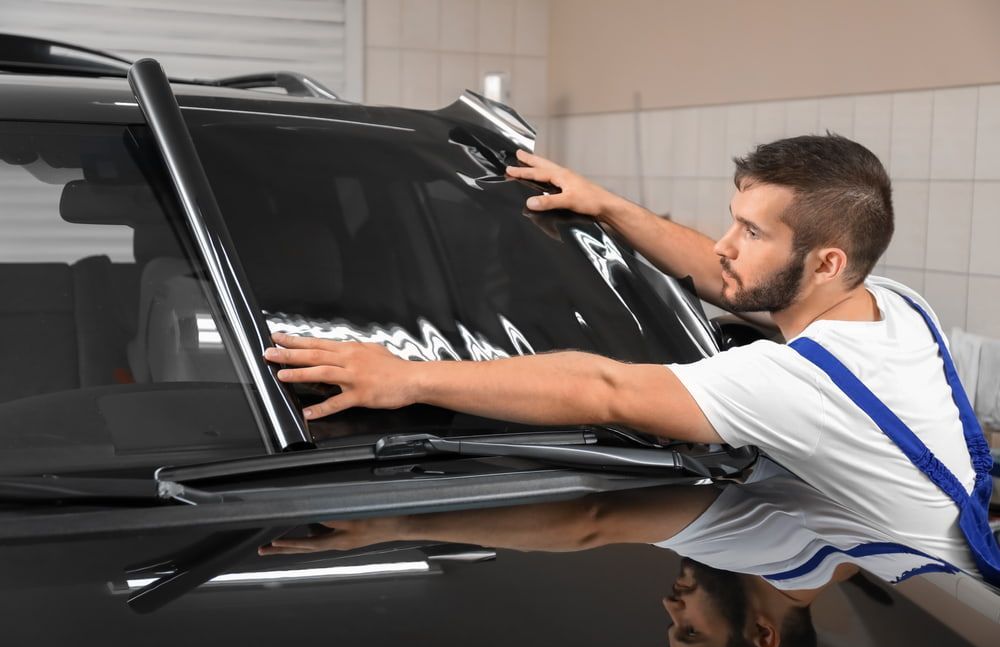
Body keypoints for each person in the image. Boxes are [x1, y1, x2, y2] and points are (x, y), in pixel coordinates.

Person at [261, 134, 1000, 586]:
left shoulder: (792, 382)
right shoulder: (893, 304)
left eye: (751, 231)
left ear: (827, 260)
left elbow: (604, 388)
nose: (723, 243)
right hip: (910, 567)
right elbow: (724, 281)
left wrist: (406, 374)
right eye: (733, 221)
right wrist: (606, 205)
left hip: (925, 589)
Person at [261, 456, 951, 647]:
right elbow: (594, 520)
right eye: (691, 629)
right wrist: (389, 523)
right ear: (764, 634)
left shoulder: (873, 556)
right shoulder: (764, 547)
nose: (671, 605)